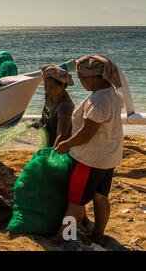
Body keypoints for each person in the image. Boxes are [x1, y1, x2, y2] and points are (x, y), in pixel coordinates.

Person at [53, 55, 123, 245]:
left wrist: (66, 144)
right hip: (108, 158)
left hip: (89, 160)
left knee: (75, 202)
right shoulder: (114, 95)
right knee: (101, 197)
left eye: (82, 78)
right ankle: (98, 235)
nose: (81, 82)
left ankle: (63, 238)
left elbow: (87, 133)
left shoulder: (98, 101)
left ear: (92, 77)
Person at [32, 65, 75, 147]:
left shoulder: (65, 107)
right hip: (48, 142)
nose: (47, 90)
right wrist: (39, 124)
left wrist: (52, 154)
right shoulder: (49, 96)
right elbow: (46, 116)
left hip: (57, 147)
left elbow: (61, 136)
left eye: (51, 87)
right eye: (45, 86)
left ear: (62, 85)